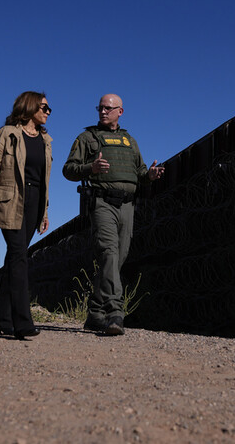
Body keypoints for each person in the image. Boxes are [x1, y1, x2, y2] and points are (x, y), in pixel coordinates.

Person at [63, 94, 165, 335]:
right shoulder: (87, 138)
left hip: (128, 205)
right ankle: (115, 313)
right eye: (100, 108)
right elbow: (68, 170)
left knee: (118, 258)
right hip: (102, 203)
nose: (103, 112)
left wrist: (149, 175)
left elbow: (139, 172)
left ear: (121, 111)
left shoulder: (130, 141)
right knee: (108, 253)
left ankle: (95, 313)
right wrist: (91, 168)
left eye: (108, 108)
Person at [0, 92, 52, 340]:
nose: (48, 112)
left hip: (35, 203)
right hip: (10, 201)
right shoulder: (7, 134)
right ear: (29, 107)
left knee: (14, 258)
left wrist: (45, 212)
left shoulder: (45, 140)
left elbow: (44, 180)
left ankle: (2, 319)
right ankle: (22, 322)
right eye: (44, 107)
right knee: (19, 257)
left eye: (49, 109)